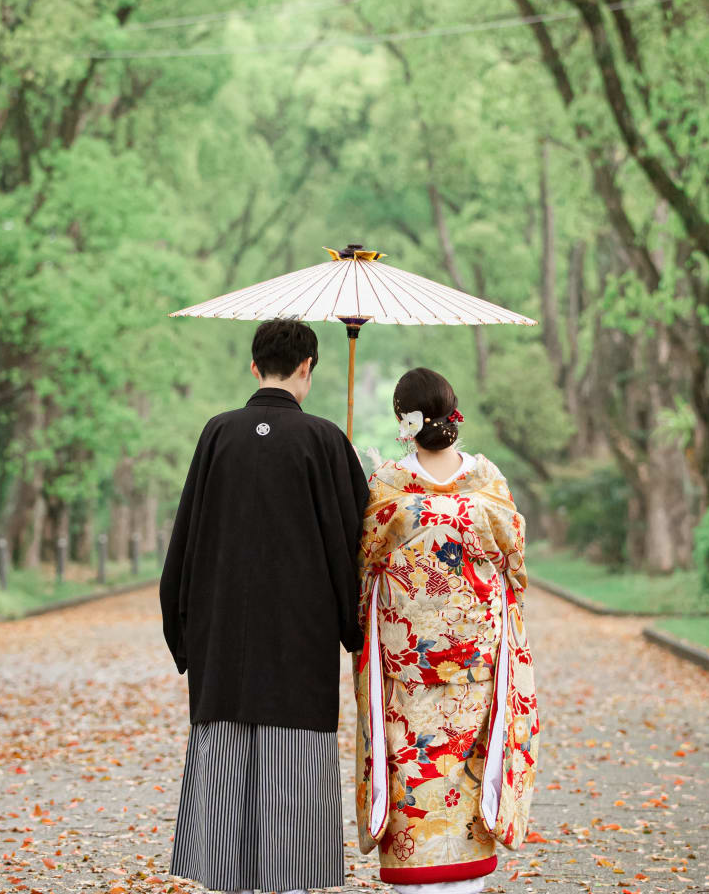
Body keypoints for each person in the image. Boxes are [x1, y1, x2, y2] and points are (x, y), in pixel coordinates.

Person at [160, 317, 369, 894]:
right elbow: (353, 542)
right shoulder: (327, 439)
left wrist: (184, 632)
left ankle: (228, 881)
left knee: (226, 761)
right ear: (308, 367)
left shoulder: (217, 434)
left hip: (221, 634)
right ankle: (292, 882)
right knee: (295, 768)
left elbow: (186, 539)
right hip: (298, 640)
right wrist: (356, 630)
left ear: (255, 367)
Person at [353, 367, 539, 894]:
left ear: (402, 421)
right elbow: (515, 567)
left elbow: (362, 563)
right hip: (474, 669)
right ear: (453, 414)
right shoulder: (489, 484)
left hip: (406, 671)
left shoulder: (387, 487)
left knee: (412, 768)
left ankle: (415, 874)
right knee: (466, 772)